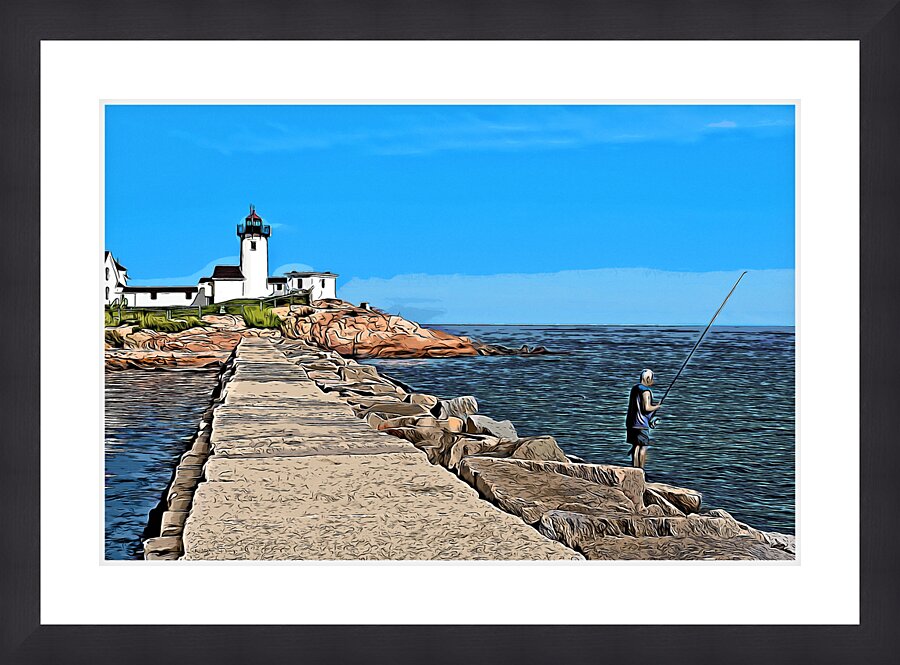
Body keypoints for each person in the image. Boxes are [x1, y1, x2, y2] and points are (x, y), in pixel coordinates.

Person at [625, 369, 661, 469]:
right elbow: (646, 408)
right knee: (643, 447)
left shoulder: (634, 389)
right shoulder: (646, 391)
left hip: (631, 423)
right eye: (652, 379)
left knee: (636, 446)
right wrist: (657, 406)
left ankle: (634, 470)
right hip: (641, 424)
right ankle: (641, 470)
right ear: (648, 378)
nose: (652, 382)